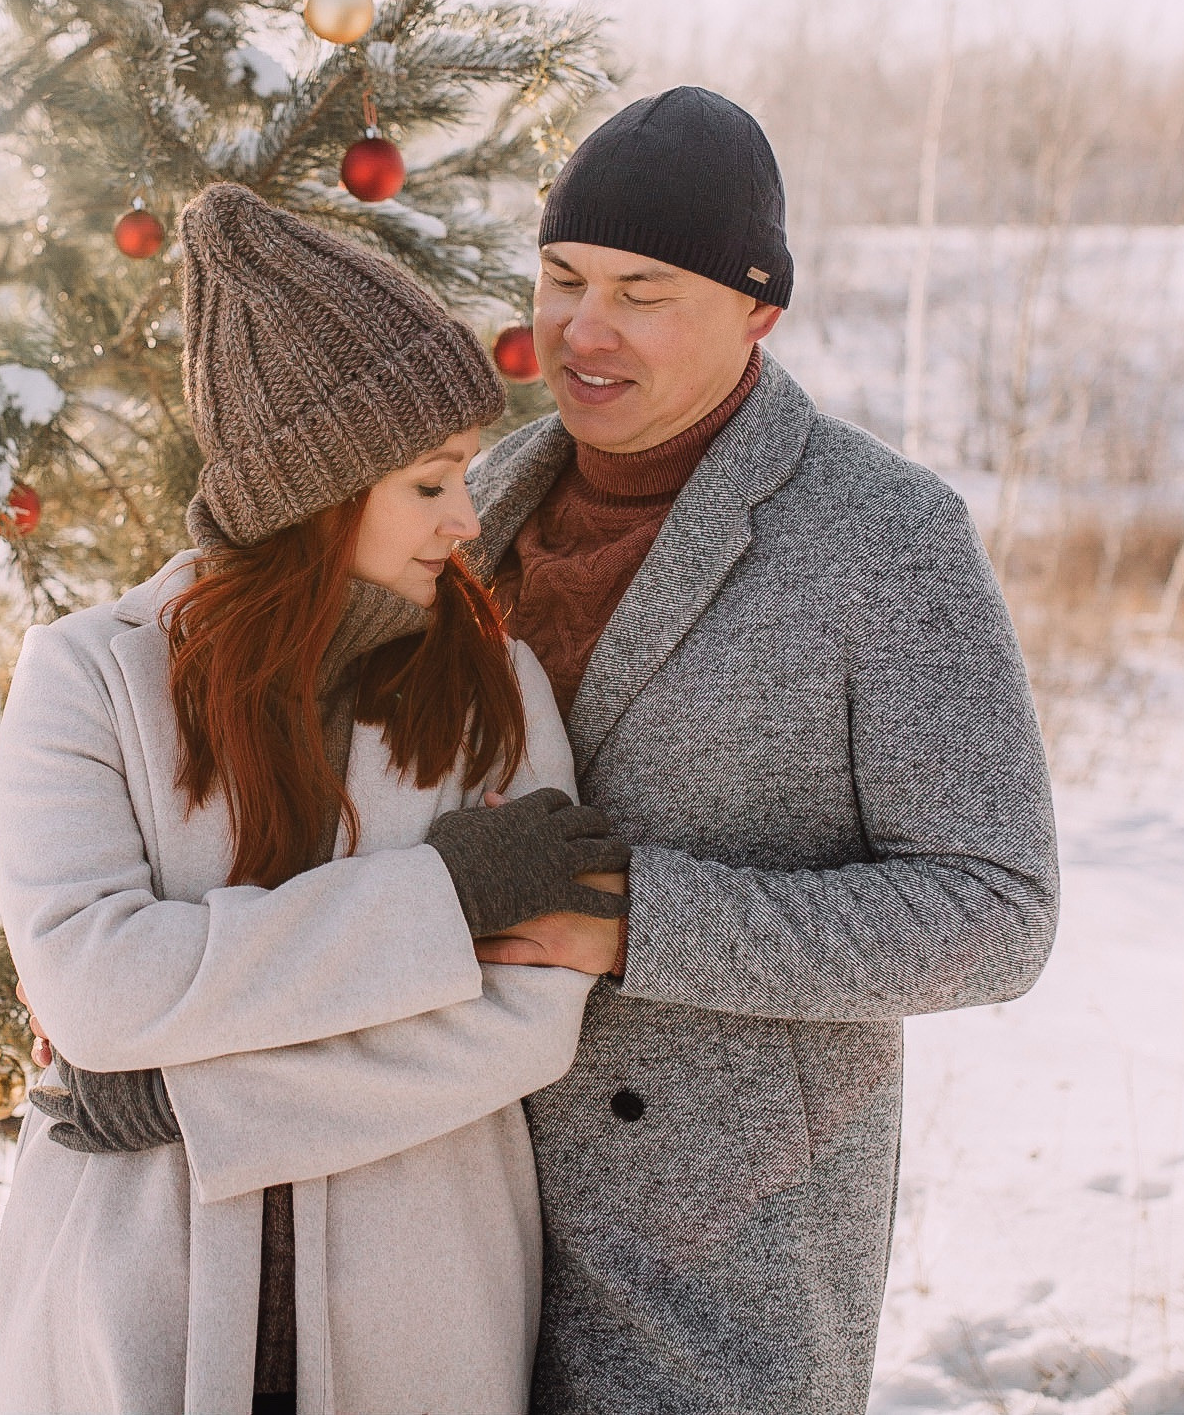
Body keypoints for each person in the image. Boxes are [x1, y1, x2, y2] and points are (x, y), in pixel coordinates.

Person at [0, 182, 630, 1415]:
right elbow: (96, 989)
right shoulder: (85, 679)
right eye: (429, 483)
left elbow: (527, 1015)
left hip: (417, 1299)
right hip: (134, 1287)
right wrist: (441, 902)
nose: (467, 517)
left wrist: (188, 1097)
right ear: (315, 493)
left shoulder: (491, 687)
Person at [469, 86, 1062, 1414]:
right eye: (561, 278)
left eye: (642, 291)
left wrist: (637, 923)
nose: (583, 328)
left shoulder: (885, 537)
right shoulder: (478, 498)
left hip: (715, 1252)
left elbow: (997, 912)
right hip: (445, 1196)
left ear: (758, 310)